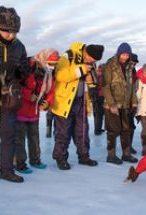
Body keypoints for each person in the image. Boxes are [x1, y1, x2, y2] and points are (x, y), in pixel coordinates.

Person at [0, 6, 30, 182]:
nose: (12, 35)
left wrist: (23, 70)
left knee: (9, 135)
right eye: (9, 31)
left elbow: (25, 72)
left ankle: (7, 171)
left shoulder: (19, 46)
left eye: (15, 31)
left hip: (9, 97)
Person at [52, 42, 104, 170]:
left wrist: (91, 82)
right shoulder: (68, 55)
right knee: (63, 132)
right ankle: (61, 158)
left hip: (81, 100)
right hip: (65, 101)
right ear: (86, 52)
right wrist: (80, 69)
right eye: (91, 59)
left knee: (82, 131)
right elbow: (60, 75)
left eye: (95, 61)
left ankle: (84, 156)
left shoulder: (91, 62)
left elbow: (89, 84)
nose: (92, 62)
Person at [14, 48, 59, 174]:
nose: (52, 67)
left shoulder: (49, 73)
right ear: (44, 59)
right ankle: (19, 163)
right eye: (50, 63)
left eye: (54, 65)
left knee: (34, 137)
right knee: (19, 138)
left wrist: (48, 103)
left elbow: (51, 91)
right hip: (20, 108)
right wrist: (28, 94)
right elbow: (15, 84)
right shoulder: (28, 67)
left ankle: (35, 160)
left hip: (34, 111)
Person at [102, 42, 138, 165]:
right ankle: (111, 155)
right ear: (118, 53)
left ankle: (126, 154)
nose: (125, 57)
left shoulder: (129, 66)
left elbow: (131, 86)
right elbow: (105, 86)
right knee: (113, 130)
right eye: (123, 54)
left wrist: (134, 102)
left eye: (127, 55)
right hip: (112, 104)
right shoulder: (110, 65)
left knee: (126, 130)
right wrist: (112, 104)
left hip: (125, 104)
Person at [90, 64, 105, 135]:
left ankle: (97, 129)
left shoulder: (95, 74)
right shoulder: (101, 76)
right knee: (99, 114)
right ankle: (97, 130)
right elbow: (102, 86)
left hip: (94, 96)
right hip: (99, 96)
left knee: (96, 114)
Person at [129, 53, 139, 154]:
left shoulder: (133, 71)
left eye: (135, 63)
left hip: (131, 102)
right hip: (120, 103)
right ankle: (111, 151)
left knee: (131, 126)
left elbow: (135, 88)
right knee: (115, 129)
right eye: (132, 63)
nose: (133, 65)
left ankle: (128, 146)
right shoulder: (121, 70)